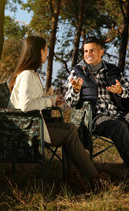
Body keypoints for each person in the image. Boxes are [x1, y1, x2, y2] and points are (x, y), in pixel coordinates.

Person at [8, 35, 108, 193]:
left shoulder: (30, 74)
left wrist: (53, 99)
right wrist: (49, 102)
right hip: (28, 129)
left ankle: (73, 176)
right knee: (70, 135)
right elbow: (26, 105)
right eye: (46, 49)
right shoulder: (27, 75)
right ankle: (94, 178)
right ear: (38, 51)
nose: (47, 52)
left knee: (71, 128)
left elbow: (32, 100)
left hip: (33, 124)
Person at [65, 37, 129, 186]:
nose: (88, 54)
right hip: (96, 117)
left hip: (119, 114)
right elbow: (69, 102)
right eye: (85, 51)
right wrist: (76, 91)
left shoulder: (113, 70)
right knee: (117, 126)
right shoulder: (77, 71)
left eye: (92, 50)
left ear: (101, 52)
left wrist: (121, 90)